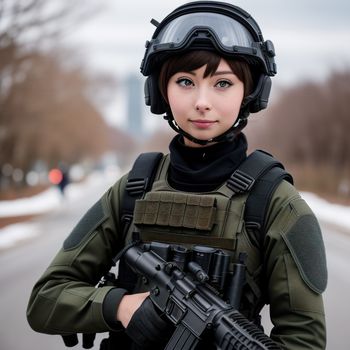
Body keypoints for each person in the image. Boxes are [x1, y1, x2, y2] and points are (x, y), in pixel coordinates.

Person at [27, 1, 327, 349]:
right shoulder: (133, 189)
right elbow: (45, 299)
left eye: (222, 83)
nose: (202, 101)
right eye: (185, 81)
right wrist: (120, 307)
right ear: (160, 91)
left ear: (251, 93)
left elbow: (305, 340)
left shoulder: (276, 204)